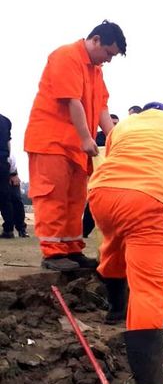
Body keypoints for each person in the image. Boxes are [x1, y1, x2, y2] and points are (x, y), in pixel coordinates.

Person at [88, 102, 163, 384]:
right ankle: (148, 376)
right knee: (148, 285)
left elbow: (112, 153)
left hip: (102, 194)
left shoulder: (124, 125)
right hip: (148, 199)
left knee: (113, 247)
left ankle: (115, 308)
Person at [24, 20, 126, 272]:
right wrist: (85, 138)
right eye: (109, 53)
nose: (109, 60)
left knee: (75, 199)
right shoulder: (66, 56)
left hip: (77, 148)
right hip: (51, 142)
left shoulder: (96, 69)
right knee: (53, 196)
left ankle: (71, 248)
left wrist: (115, 139)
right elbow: (73, 101)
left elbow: (102, 108)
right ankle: (53, 253)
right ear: (96, 40)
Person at [1, 153, 29, 238]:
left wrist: (13, 174)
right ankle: (8, 230)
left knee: (16, 200)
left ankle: (21, 229)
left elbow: (10, 157)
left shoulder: (4, 150)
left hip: (9, 171)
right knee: (4, 201)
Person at [0, 114, 13, 236]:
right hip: (2, 161)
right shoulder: (5, 120)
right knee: (4, 196)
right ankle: (8, 228)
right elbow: (9, 145)